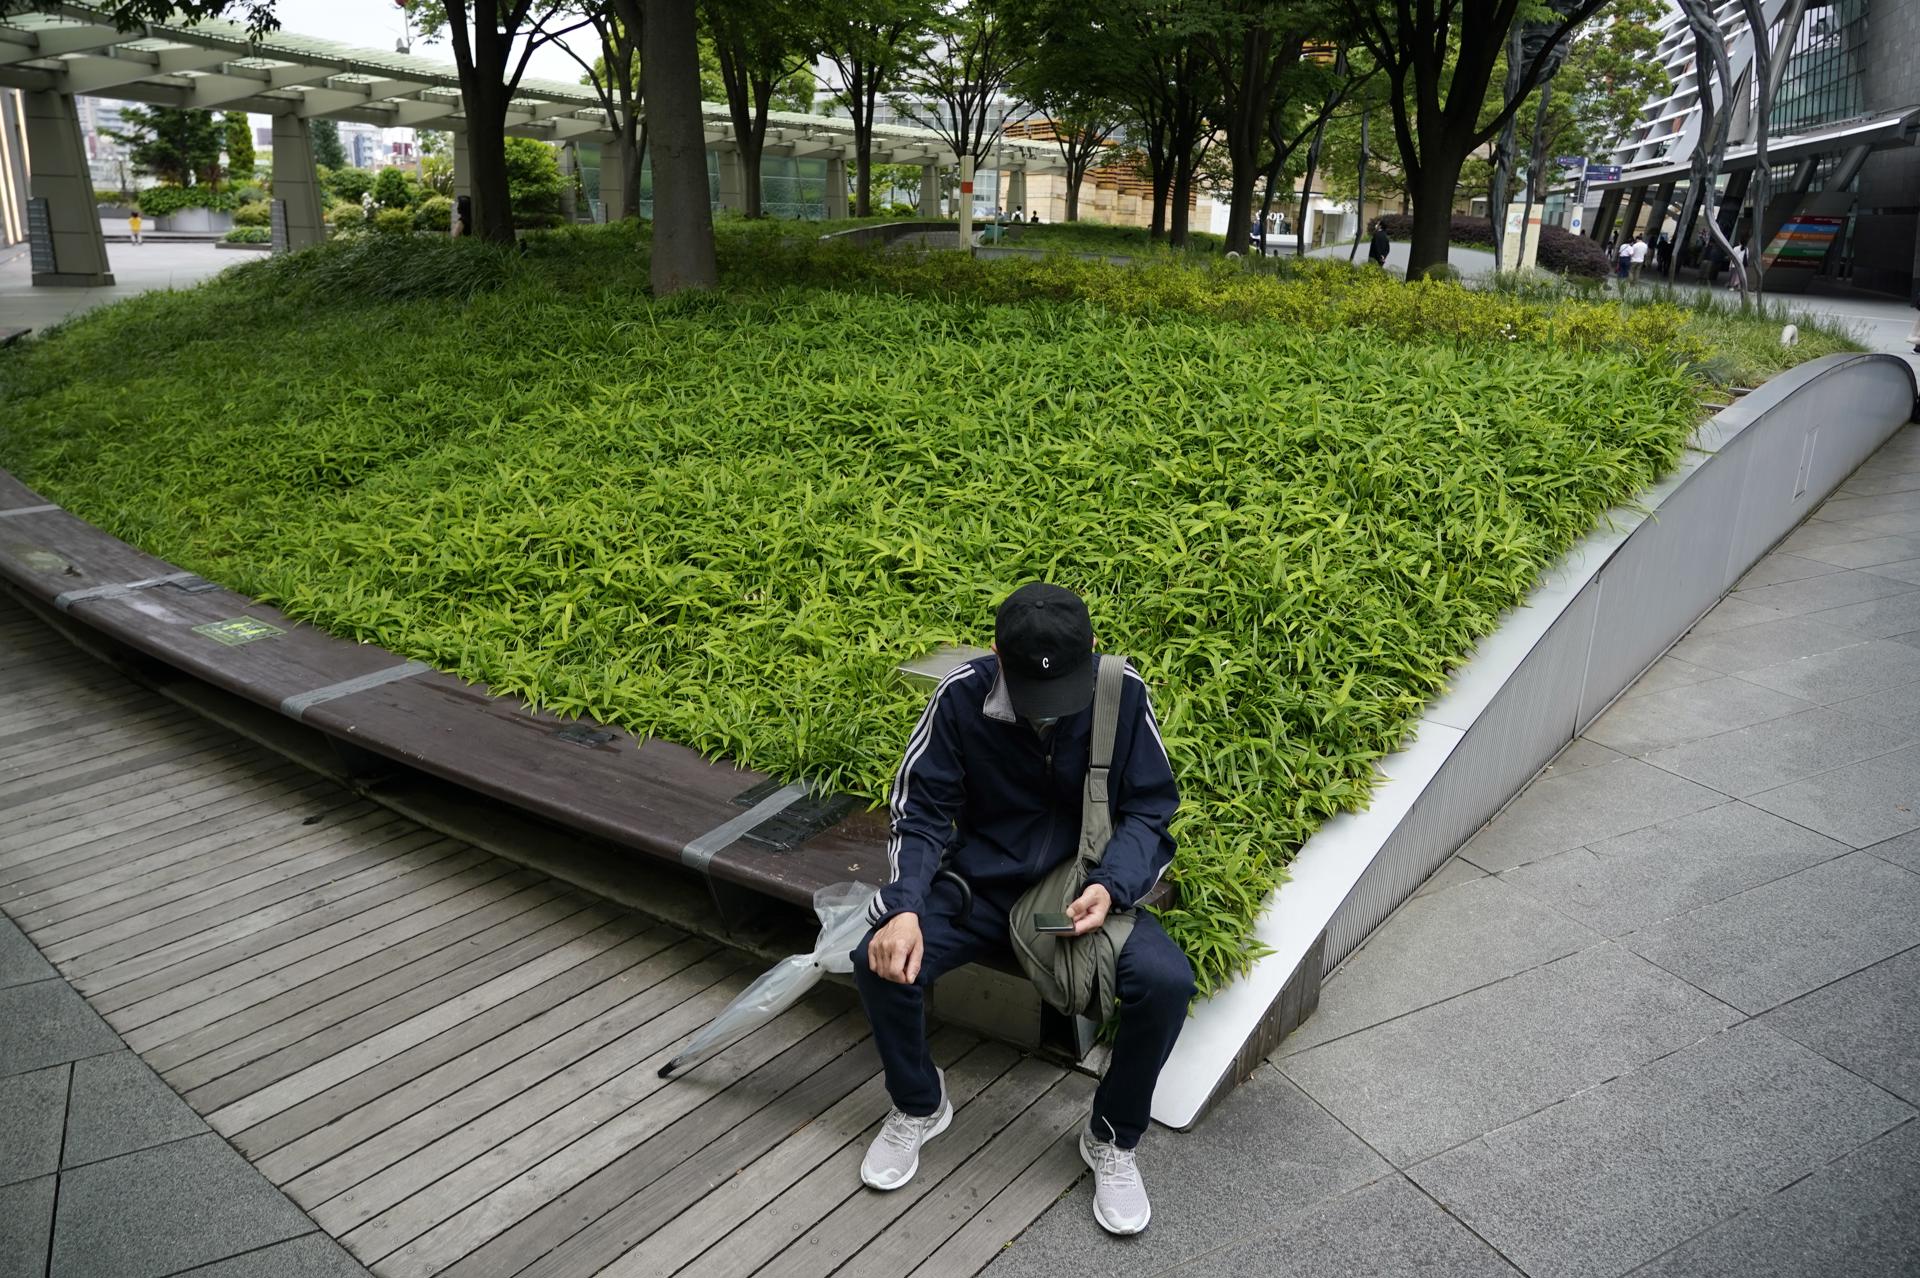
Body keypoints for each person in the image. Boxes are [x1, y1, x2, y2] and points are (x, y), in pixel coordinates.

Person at [854, 583, 1193, 1237]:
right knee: (880, 961)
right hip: (978, 889)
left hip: (1081, 894)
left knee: (1166, 982)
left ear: (1092, 649)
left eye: (1064, 688)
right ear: (995, 654)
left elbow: (1152, 805)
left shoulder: (1122, 694)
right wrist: (902, 909)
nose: (1049, 710)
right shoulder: (960, 697)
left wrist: (1114, 885)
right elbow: (919, 811)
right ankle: (921, 1104)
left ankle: (1111, 1137)